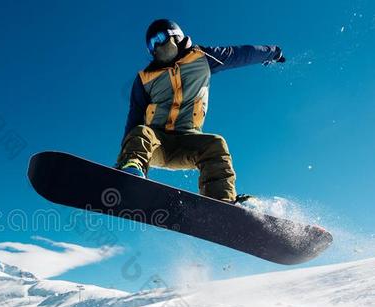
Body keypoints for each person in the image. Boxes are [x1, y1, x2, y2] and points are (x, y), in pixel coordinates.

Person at [116, 19, 285, 204]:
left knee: (215, 144)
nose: (155, 46)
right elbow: (134, 119)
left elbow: (241, 54)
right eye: (150, 45)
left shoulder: (202, 58)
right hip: (158, 144)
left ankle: (221, 201)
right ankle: (131, 169)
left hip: (188, 143)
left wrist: (272, 53)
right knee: (142, 133)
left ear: (175, 35)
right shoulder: (144, 79)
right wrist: (123, 159)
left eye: (159, 38)